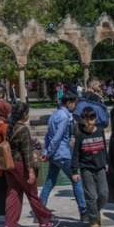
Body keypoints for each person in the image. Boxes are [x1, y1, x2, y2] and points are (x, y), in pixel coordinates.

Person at [2, 102, 57, 227]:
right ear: (24, 114)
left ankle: (10, 224)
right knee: (32, 193)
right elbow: (27, 152)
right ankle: (44, 220)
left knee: (13, 193)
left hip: (10, 165)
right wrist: (31, 171)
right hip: (21, 164)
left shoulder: (9, 127)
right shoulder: (23, 129)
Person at [39, 90, 87, 219]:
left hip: (54, 155)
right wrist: (48, 153)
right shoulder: (65, 117)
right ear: (69, 103)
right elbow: (57, 137)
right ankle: (84, 211)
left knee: (50, 181)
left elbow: (48, 136)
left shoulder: (54, 115)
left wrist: (47, 153)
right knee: (76, 180)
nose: (76, 107)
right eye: (75, 104)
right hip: (62, 154)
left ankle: (39, 209)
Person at [73, 106, 108, 227]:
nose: (90, 122)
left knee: (104, 194)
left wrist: (107, 162)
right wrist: (75, 171)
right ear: (82, 120)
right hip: (86, 168)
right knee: (91, 196)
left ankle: (94, 211)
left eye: (92, 119)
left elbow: (104, 148)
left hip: (100, 167)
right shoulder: (80, 135)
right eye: (87, 119)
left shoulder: (100, 131)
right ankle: (93, 222)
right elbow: (75, 154)